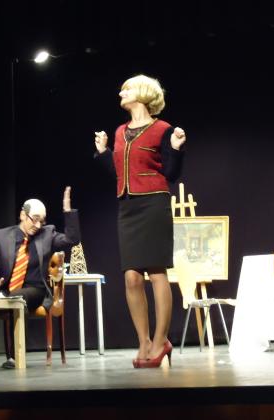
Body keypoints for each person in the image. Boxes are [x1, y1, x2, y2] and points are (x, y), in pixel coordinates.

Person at [94, 75, 186, 368]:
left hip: (154, 203)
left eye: (128, 88)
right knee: (131, 276)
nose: (121, 92)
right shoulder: (120, 131)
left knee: (157, 273)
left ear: (144, 93)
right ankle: (144, 341)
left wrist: (176, 147)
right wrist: (103, 153)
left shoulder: (163, 129)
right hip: (128, 207)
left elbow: (171, 173)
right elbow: (119, 173)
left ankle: (161, 340)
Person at [0, 186, 80, 370]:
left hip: (36, 290)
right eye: (35, 219)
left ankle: (15, 356)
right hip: (6, 289)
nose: (38, 225)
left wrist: (68, 212)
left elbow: (72, 240)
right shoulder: (2, 236)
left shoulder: (47, 234)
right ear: (23, 215)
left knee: (18, 298)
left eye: (42, 221)